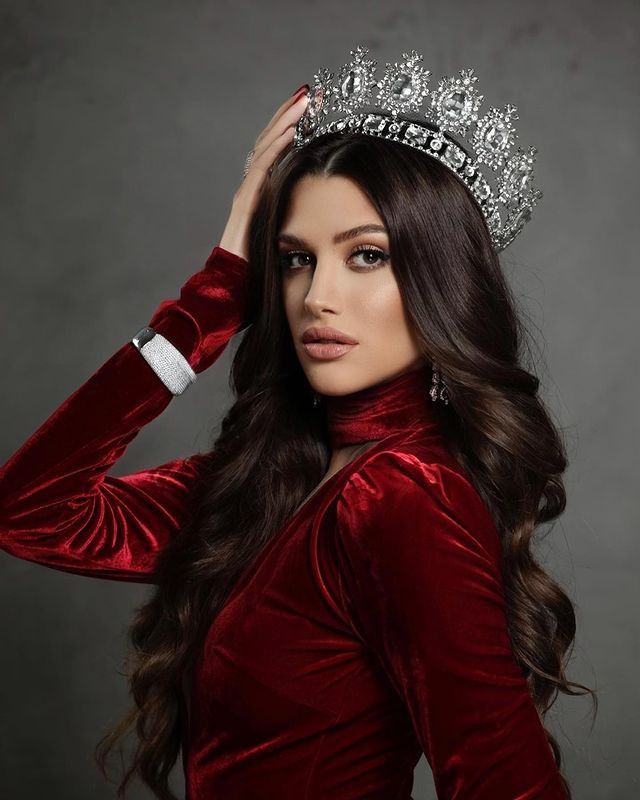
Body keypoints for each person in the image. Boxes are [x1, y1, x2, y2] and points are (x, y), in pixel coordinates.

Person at [0, 47, 594, 800]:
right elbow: (31, 511)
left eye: (367, 256)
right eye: (292, 260)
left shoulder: (403, 498)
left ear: (439, 282)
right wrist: (214, 293)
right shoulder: (273, 478)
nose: (317, 297)